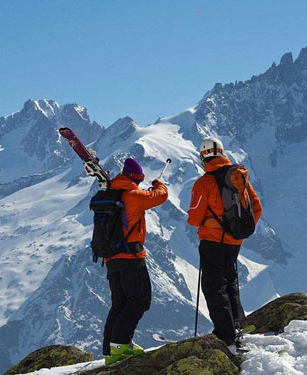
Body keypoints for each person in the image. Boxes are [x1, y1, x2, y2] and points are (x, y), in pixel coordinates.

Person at [187, 138, 262, 353]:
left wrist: (209, 225)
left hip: (212, 241)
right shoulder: (239, 178)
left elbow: (194, 217)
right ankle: (238, 325)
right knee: (230, 282)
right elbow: (256, 207)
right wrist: (235, 230)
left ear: (203, 157)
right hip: (234, 242)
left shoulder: (205, 182)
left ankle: (225, 335)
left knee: (214, 287)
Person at [103, 158, 169, 365]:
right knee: (140, 300)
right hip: (131, 257)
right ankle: (121, 345)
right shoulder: (132, 194)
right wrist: (159, 184)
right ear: (136, 178)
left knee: (120, 303)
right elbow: (160, 196)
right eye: (139, 180)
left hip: (111, 259)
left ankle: (110, 350)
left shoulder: (112, 194)